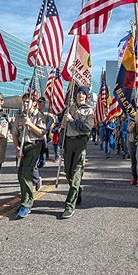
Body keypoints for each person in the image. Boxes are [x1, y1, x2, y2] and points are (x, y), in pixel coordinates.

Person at [60, 86, 94, 219]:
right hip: (68, 142)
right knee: (68, 172)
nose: (80, 95)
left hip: (80, 143)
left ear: (86, 96)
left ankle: (69, 206)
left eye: (83, 94)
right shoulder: (69, 108)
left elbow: (85, 128)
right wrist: (61, 145)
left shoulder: (89, 111)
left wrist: (72, 120)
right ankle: (78, 190)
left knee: (75, 175)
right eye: (79, 93)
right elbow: (63, 127)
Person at [11, 93, 46, 219]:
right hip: (22, 146)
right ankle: (24, 198)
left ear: (34, 103)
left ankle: (27, 204)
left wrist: (30, 124)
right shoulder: (19, 116)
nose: (25, 104)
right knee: (20, 174)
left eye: (28, 101)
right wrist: (16, 148)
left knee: (26, 173)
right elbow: (15, 133)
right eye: (24, 101)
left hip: (34, 146)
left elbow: (41, 133)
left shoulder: (39, 116)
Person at [129, 115, 138, 186]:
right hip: (133, 141)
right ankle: (135, 177)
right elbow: (129, 130)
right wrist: (134, 124)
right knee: (133, 160)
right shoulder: (131, 118)